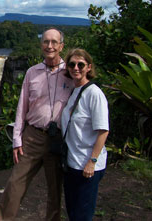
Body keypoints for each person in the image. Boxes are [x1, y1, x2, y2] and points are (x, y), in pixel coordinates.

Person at [0, 28, 74, 221]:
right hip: (33, 136)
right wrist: (17, 139)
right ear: (41, 45)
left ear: (61, 46)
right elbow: (22, 107)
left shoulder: (71, 73)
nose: (50, 46)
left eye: (54, 42)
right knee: (15, 184)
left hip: (57, 139)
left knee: (55, 192)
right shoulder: (32, 72)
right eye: (46, 42)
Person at [61, 49, 109, 221]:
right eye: (72, 64)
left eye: (80, 64)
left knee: (82, 215)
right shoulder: (73, 91)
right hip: (72, 164)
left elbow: (103, 131)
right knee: (73, 213)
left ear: (88, 67)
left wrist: (92, 161)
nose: (76, 68)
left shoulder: (94, 93)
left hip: (87, 167)